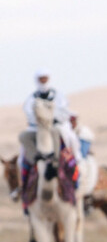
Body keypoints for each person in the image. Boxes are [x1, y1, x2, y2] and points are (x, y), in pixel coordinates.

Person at [13, 69, 71, 201]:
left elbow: (64, 110)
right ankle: (33, 162)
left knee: (62, 136)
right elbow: (28, 111)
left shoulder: (58, 96)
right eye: (41, 79)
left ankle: (56, 162)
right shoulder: (32, 98)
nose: (43, 81)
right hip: (37, 128)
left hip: (54, 126)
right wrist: (39, 118)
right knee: (23, 139)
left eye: (45, 78)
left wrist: (52, 117)